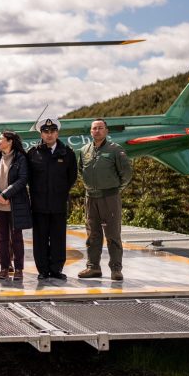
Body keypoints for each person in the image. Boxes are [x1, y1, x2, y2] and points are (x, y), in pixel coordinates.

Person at [78, 118, 133, 281]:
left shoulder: (116, 149)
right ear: (90, 132)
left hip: (109, 197)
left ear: (106, 131)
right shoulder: (84, 150)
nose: (97, 131)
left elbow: (126, 173)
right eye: (94, 128)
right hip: (91, 198)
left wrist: (116, 189)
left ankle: (116, 269)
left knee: (113, 234)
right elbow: (81, 171)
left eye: (100, 128)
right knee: (92, 234)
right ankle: (93, 267)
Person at [27, 118, 78, 280]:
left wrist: (60, 192)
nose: (49, 135)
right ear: (41, 134)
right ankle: (42, 270)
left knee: (58, 237)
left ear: (57, 133)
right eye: (46, 132)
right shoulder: (33, 153)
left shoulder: (67, 153)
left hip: (58, 203)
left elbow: (72, 177)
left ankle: (56, 269)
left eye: (52, 131)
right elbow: (28, 177)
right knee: (40, 238)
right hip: (39, 204)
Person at [0, 131, 33, 281]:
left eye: (1, 139)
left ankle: (19, 269)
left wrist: (6, 195)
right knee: (2, 238)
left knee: (16, 238)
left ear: (10, 141)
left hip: (15, 204)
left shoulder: (21, 158)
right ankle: (4, 267)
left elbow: (22, 179)